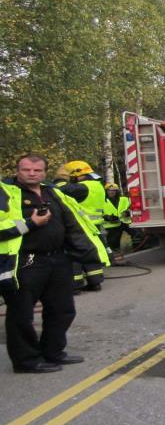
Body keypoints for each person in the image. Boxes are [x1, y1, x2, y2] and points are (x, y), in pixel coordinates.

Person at [0, 154, 109, 373]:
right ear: (18, 170)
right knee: (21, 314)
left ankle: (53, 352)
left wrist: (85, 252)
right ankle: (27, 361)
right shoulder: (6, 193)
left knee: (63, 310)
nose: (32, 173)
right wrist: (31, 223)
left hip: (58, 259)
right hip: (25, 261)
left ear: (45, 172)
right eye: (27, 170)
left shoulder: (54, 192)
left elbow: (74, 222)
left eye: (37, 170)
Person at [56, 160, 109, 291]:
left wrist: (60, 179)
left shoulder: (82, 187)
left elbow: (58, 190)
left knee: (73, 254)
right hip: (93, 225)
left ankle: (75, 285)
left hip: (80, 226)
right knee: (89, 254)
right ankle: (95, 282)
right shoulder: (96, 185)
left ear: (74, 175)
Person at [102, 182, 145, 265]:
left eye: (114, 190)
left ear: (117, 191)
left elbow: (132, 207)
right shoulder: (102, 201)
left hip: (126, 223)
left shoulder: (124, 199)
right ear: (106, 191)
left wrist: (128, 212)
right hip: (112, 225)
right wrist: (107, 217)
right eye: (109, 191)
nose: (112, 192)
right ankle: (116, 260)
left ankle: (140, 251)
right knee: (113, 242)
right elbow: (99, 212)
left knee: (138, 235)